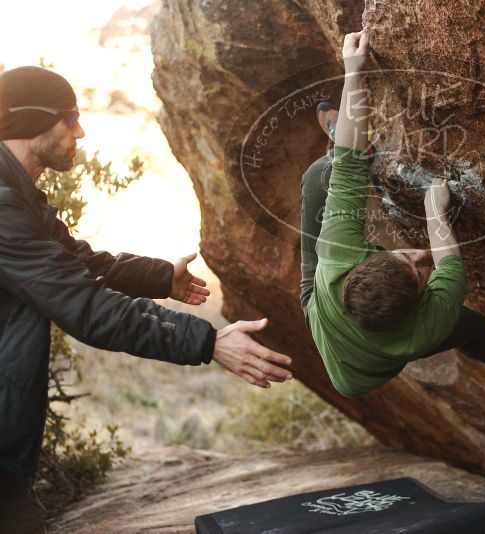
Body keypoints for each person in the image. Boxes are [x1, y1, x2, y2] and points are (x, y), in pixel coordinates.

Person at [0, 66, 293, 533]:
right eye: (70, 117)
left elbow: (80, 261)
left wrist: (159, 277)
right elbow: (87, 307)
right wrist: (209, 342)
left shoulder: (17, 195)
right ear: (33, 119)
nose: (80, 130)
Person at [300, 30, 485, 398]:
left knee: (322, 173)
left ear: (361, 263)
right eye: (421, 275)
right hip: (359, 372)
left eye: (405, 256)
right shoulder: (424, 329)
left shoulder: (336, 252)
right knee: (469, 323)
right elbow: (449, 262)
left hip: (317, 303)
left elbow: (346, 164)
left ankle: (355, 139)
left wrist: (353, 70)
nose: (423, 257)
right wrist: (435, 212)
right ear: (418, 306)